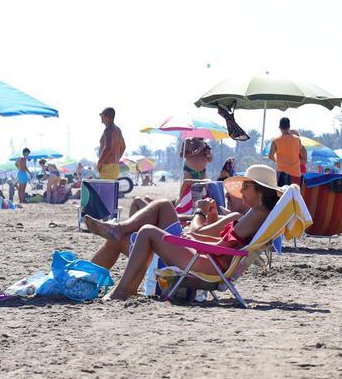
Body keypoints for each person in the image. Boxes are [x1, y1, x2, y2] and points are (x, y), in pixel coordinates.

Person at [84, 165, 281, 300]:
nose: (241, 191)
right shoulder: (257, 214)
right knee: (148, 226)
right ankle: (124, 283)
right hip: (210, 259)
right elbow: (226, 242)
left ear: (261, 191)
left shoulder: (256, 214)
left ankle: (120, 290)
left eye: (246, 186)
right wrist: (194, 238)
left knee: (147, 231)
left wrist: (193, 240)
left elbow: (223, 247)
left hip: (209, 264)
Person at [268, 117, 306, 186]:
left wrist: (276, 160)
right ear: (289, 127)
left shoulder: (275, 140)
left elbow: (270, 156)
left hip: (281, 173)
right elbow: (302, 152)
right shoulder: (297, 139)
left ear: (279, 127)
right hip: (295, 173)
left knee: (281, 195)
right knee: (294, 195)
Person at [97, 107, 126, 180]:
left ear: (106, 116)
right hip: (114, 166)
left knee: (105, 190)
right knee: (110, 190)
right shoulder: (118, 129)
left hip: (107, 166)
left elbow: (108, 147)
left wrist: (100, 162)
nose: (100, 117)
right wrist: (116, 158)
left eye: (101, 115)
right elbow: (123, 147)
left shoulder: (109, 129)